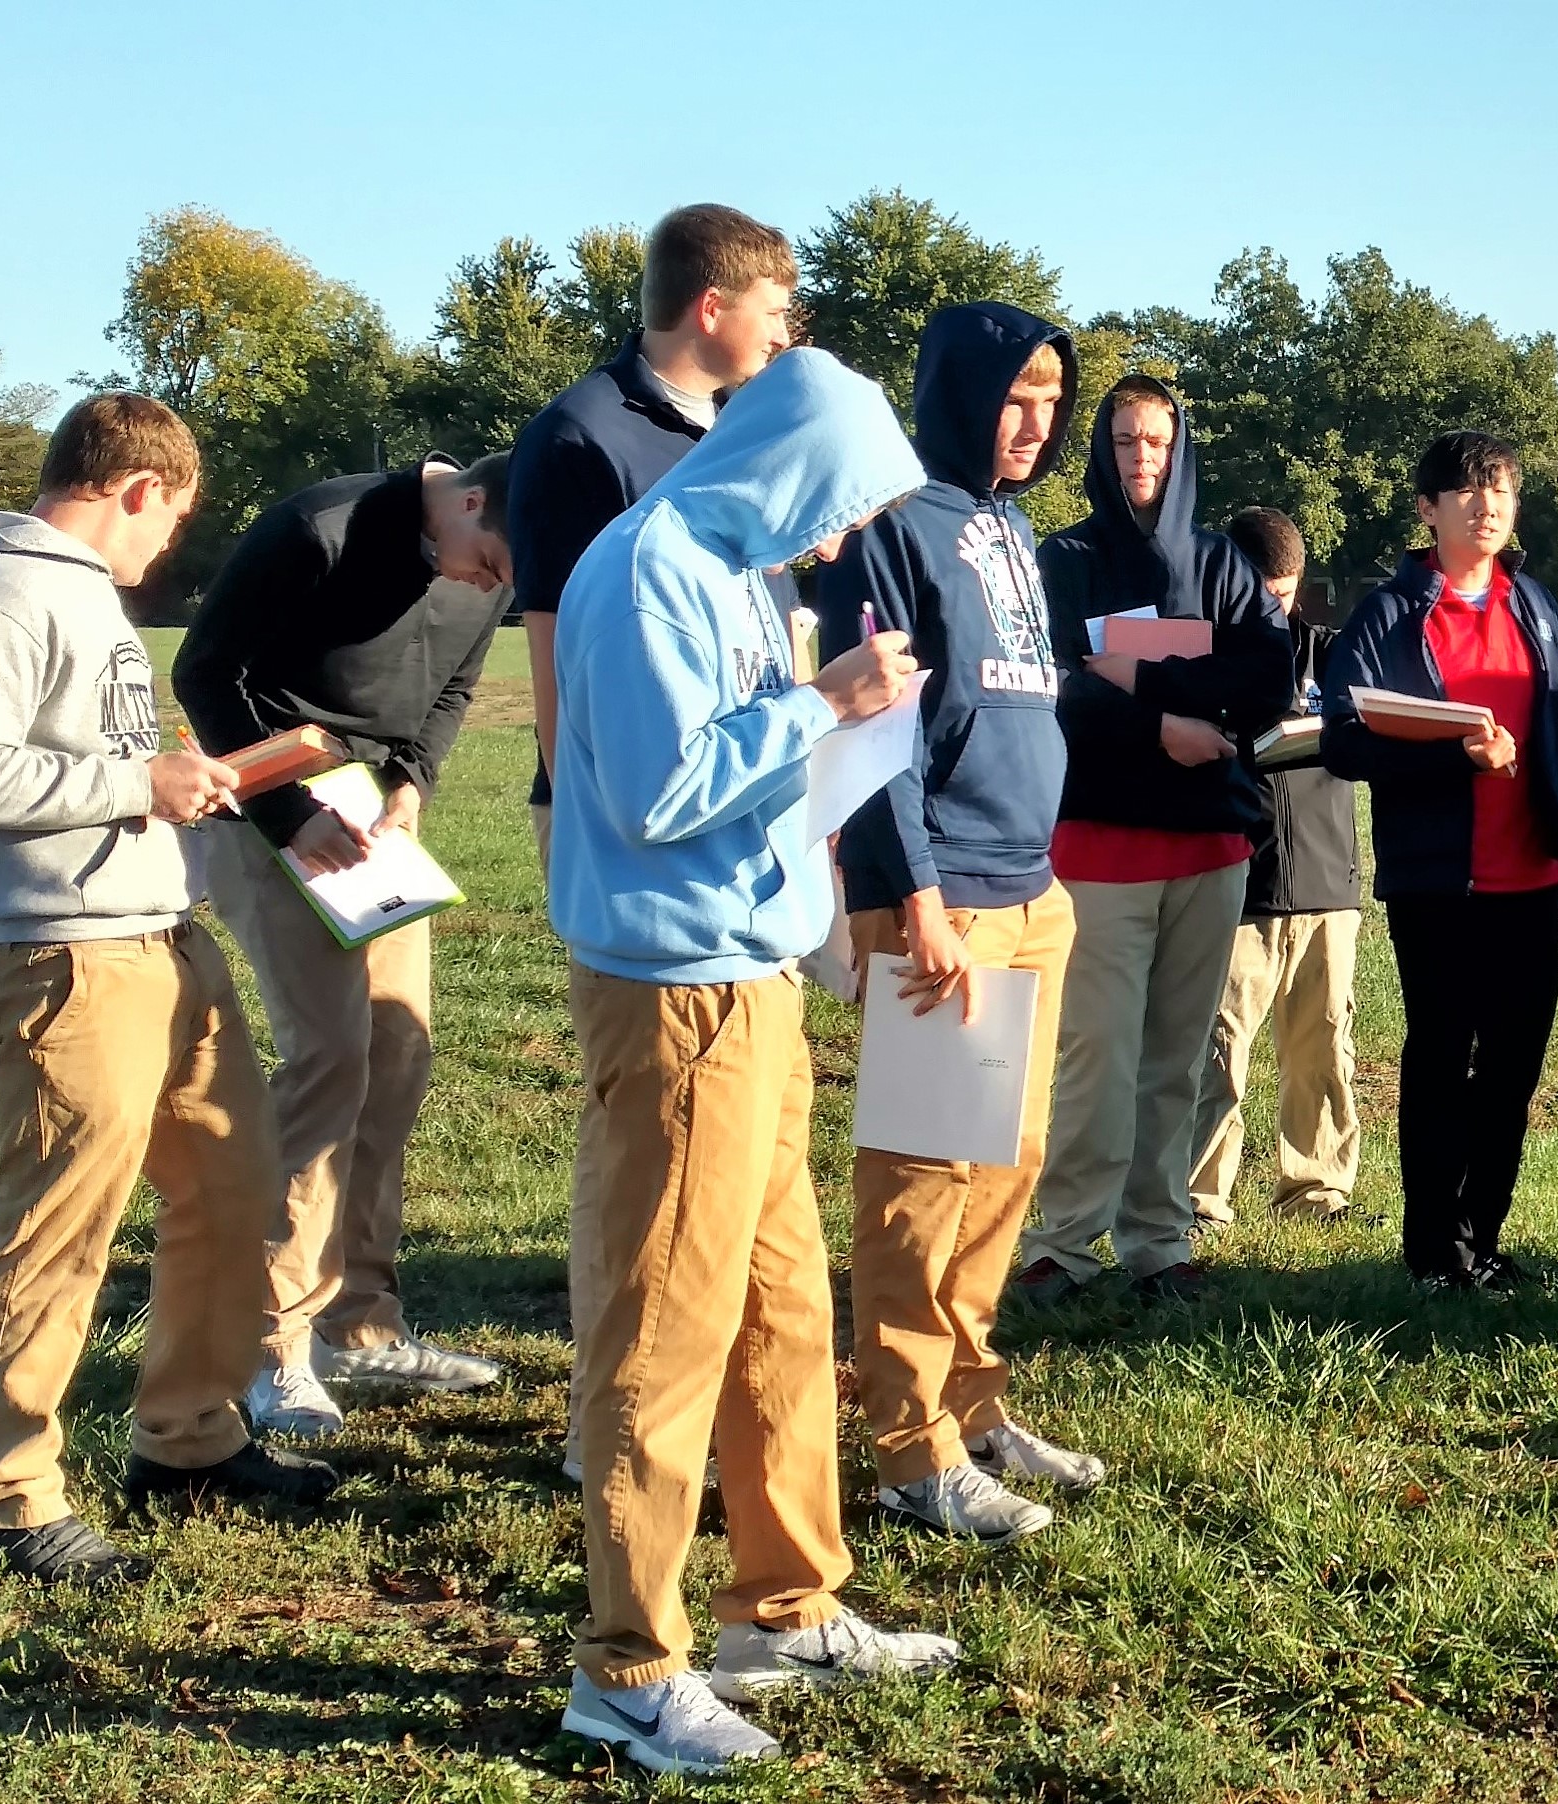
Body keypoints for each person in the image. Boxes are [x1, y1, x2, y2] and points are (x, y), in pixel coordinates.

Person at [547, 348, 955, 1776]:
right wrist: (824, 706)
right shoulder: (645, 570)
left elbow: (750, 765)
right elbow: (657, 791)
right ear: (794, 469)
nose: (843, 539)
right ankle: (628, 1666)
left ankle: (785, 1607)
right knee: (665, 1329)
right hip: (676, 995)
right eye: (844, 505)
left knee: (782, 1312)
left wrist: (825, 748)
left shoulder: (736, 572)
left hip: (752, 985)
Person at [0, 394, 341, 1587]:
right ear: (140, 488)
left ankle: (189, 1440)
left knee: (235, 1183)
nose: (169, 543)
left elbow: (88, 761)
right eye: (174, 518)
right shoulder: (0, 591)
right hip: (60, 956)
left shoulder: (82, 591)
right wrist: (137, 784)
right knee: (58, 1225)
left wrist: (172, 783)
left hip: (160, 939)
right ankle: (2, 1498)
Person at [824, 302, 1105, 1545]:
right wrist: (915, 895)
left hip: (1031, 892)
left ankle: (972, 1403)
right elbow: (873, 733)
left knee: (1006, 1165)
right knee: (922, 1177)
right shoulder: (890, 524)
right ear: (956, 394)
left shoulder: (1011, 525)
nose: (1034, 421)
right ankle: (907, 1446)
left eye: (1051, 397)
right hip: (942, 903)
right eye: (1013, 396)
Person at [171, 452, 517, 1439]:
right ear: (468, 502)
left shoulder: (502, 553)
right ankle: (271, 1348)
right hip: (269, 813)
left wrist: (412, 783)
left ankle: (359, 1325)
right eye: (489, 563)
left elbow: (450, 692)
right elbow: (204, 672)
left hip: (369, 820)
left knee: (396, 1054)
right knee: (329, 1060)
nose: (490, 586)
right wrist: (288, 813)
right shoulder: (316, 530)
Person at [1012, 376, 1294, 1305]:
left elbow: (1268, 677)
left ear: (1181, 451)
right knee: (1096, 1056)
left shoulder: (1221, 563)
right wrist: (1162, 723)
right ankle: (1064, 1245)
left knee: (1177, 1059)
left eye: (1158, 442)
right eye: (1126, 440)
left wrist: (1136, 672)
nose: (1143, 457)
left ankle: (1157, 1241)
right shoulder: (1064, 558)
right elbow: (1052, 683)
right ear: (1102, 448)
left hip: (1209, 845)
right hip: (1099, 844)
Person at [1322, 432, 1558, 1291]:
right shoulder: (1387, 614)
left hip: (1532, 874)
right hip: (1437, 879)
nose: (1487, 507)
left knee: (1513, 1066)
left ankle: (1482, 1238)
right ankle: (1432, 1250)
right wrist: (1454, 758)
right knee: (1441, 1059)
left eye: (1500, 491)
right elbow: (1342, 743)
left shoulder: (1532, 602)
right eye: (1468, 492)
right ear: (1427, 510)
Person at [510, 203, 796, 866]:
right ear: (711, 308)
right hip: (629, 806)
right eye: (773, 312)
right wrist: (586, 825)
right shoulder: (579, 436)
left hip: (743, 778)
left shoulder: (748, 430)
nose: (783, 336)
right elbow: (554, 640)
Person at [1190, 507, 1366, 1229]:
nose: (1275, 610)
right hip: (1237, 885)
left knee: (1323, 1048)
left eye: (1286, 595)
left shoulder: (1332, 653)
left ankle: (1316, 1189)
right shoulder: (1200, 657)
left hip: (1328, 885)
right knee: (1218, 1052)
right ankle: (1199, 1198)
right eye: (1262, 595)